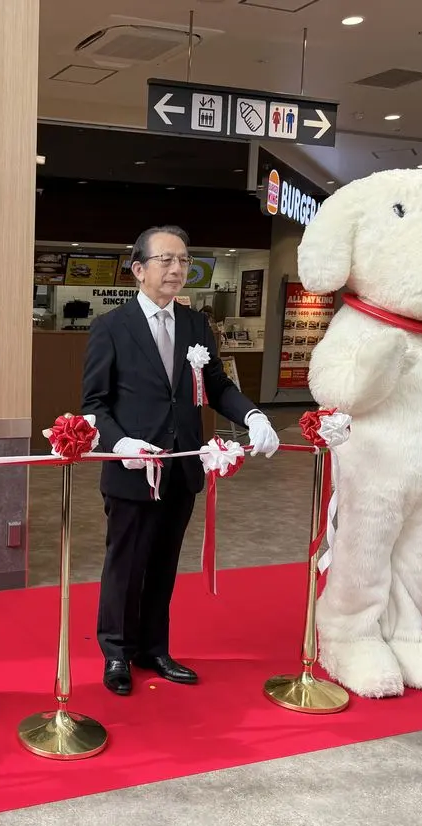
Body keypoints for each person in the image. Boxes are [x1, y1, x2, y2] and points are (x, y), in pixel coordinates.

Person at [81, 225, 281, 696]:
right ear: (138, 269)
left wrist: (251, 414)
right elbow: (94, 404)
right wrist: (120, 444)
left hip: (182, 467)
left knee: (164, 562)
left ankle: (154, 648)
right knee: (126, 564)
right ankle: (116, 651)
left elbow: (216, 384)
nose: (177, 269)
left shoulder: (195, 325)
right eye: (166, 260)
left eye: (184, 260)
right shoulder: (111, 327)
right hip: (133, 469)